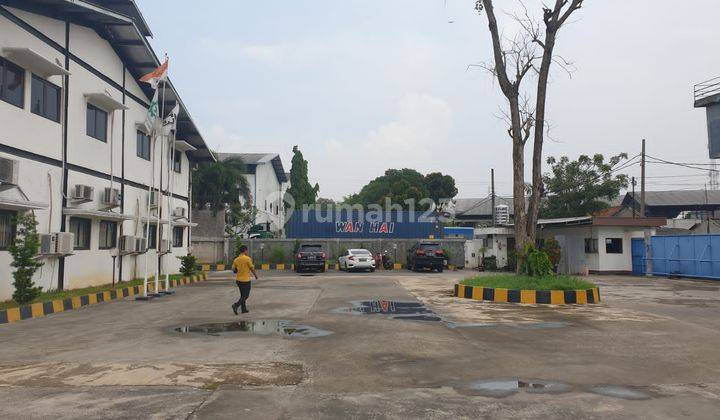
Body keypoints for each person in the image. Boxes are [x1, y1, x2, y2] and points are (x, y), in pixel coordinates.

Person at [231, 245, 258, 314]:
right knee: (246, 295)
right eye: (247, 250)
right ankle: (236, 305)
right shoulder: (247, 259)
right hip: (246, 280)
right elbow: (252, 268)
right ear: (245, 251)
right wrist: (255, 275)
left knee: (242, 295)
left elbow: (233, 269)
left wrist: (238, 270)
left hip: (238, 280)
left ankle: (244, 309)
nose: (247, 252)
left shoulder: (236, 259)